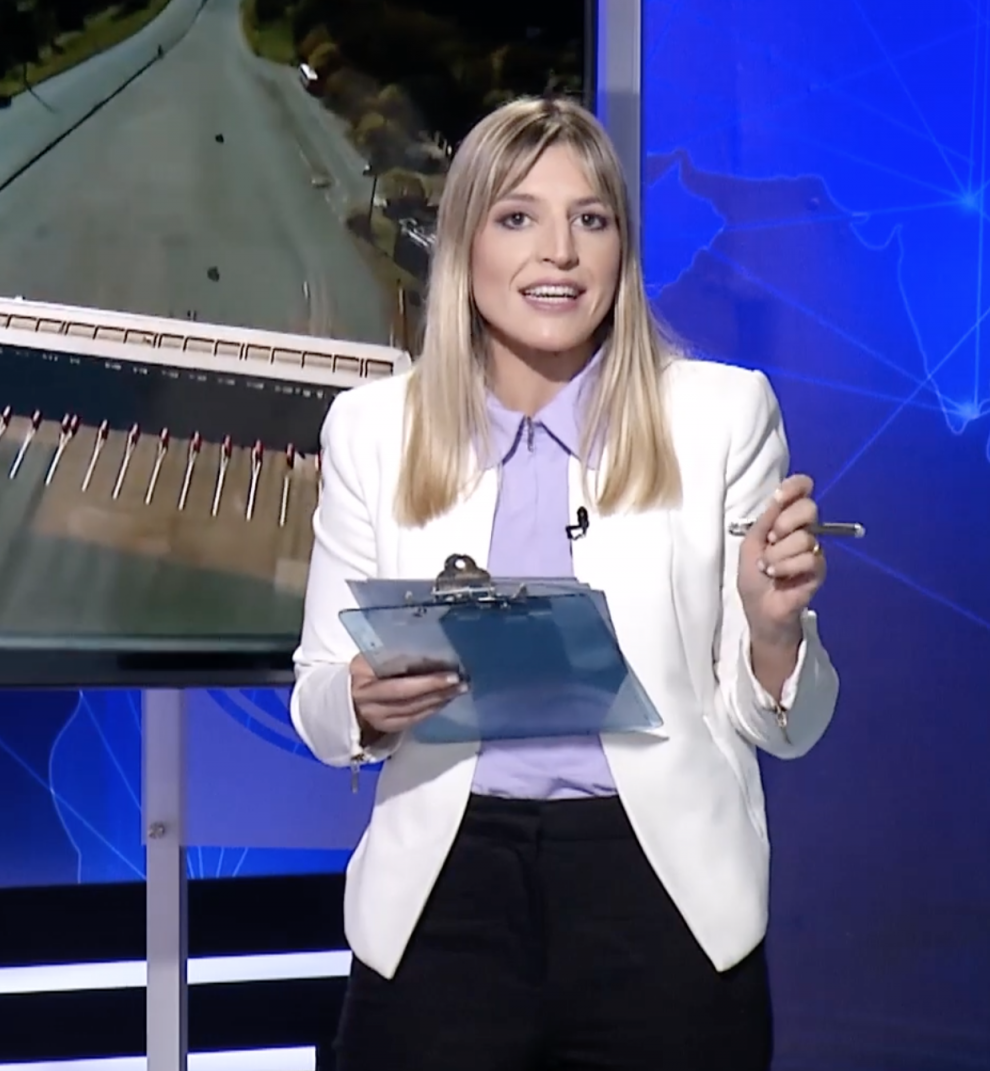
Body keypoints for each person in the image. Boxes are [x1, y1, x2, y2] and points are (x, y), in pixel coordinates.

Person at [290, 95, 842, 1071]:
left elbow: (781, 727)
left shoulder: (720, 417)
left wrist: (771, 631)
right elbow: (318, 702)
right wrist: (363, 705)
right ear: (464, 245)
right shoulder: (372, 431)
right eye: (518, 217)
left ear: (621, 249)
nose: (559, 252)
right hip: (444, 893)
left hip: (659, 894)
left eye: (590, 219)